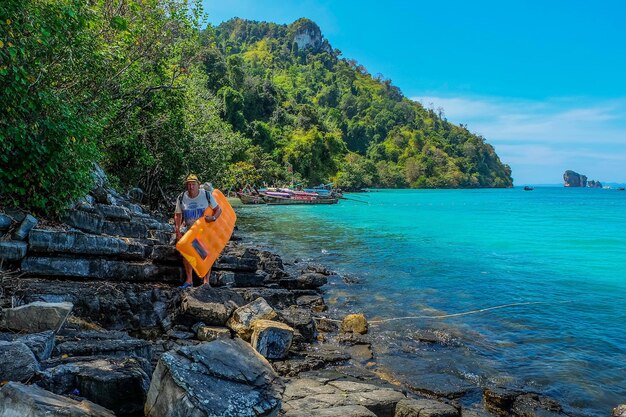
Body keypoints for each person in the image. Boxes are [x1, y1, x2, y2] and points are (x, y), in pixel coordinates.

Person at [174, 174, 222, 288]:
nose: (191, 187)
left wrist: (213, 218)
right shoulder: (181, 197)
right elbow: (177, 215)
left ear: (198, 185)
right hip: (189, 230)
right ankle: (189, 280)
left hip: (203, 230)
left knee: (205, 255)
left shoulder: (206, 195)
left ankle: (206, 282)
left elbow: (218, 210)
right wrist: (177, 231)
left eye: (193, 184)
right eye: (189, 184)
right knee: (186, 254)